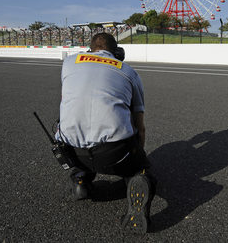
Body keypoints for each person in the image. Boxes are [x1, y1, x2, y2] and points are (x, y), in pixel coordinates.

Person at [55, 32, 156, 234]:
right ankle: (134, 178)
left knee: (60, 123)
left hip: (73, 151)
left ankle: (80, 178)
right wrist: (138, 155)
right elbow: (140, 125)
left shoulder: (69, 62)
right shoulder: (129, 72)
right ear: (117, 52)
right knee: (140, 163)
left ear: (89, 48)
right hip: (114, 154)